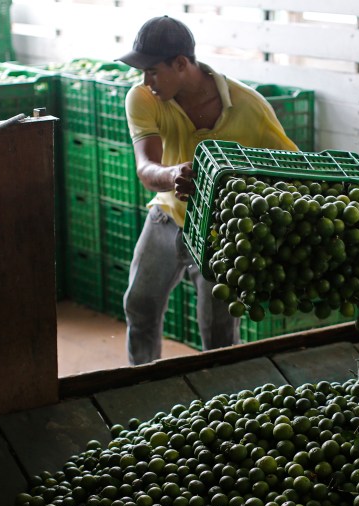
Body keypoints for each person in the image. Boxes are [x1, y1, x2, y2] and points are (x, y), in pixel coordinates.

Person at [117, 15, 298, 365]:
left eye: (152, 70)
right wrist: (171, 175)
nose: (145, 80)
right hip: (167, 217)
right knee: (139, 306)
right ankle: (139, 382)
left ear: (181, 64)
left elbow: (288, 169)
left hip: (222, 234)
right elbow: (146, 167)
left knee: (218, 334)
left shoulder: (250, 107)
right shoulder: (143, 98)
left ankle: (220, 402)